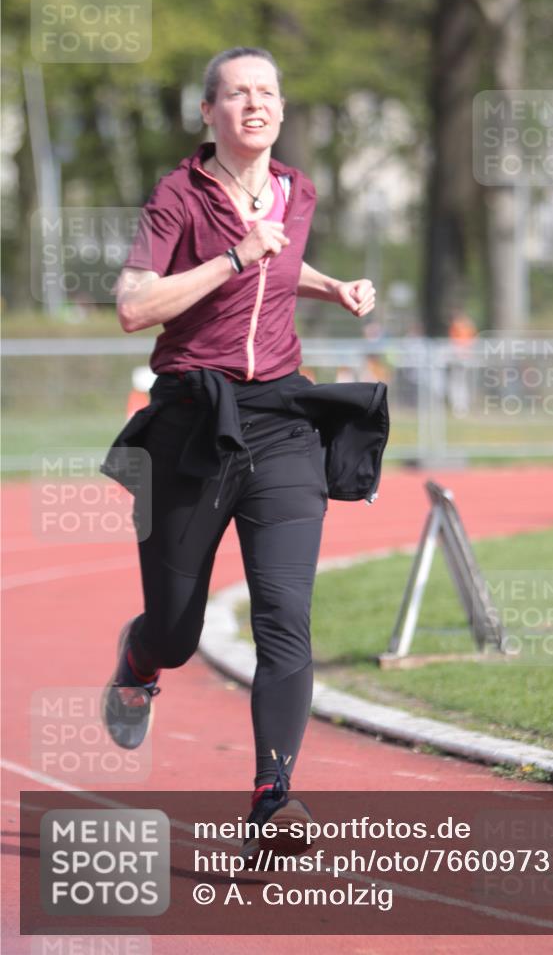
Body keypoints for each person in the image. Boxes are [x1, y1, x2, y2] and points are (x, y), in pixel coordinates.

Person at [99, 47, 389, 860]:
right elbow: (132, 306)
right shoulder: (177, 196)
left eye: (267, 92)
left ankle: (272, 797)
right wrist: (231, 256)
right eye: (236, 94)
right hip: (192, 420)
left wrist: (329, 287)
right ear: (208, 113)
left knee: (284, 616)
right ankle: (138, 656)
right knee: (178, 628)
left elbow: (278, 262)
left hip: (281, 419)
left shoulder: (299, 190)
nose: (253, 105)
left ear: (282, 109)